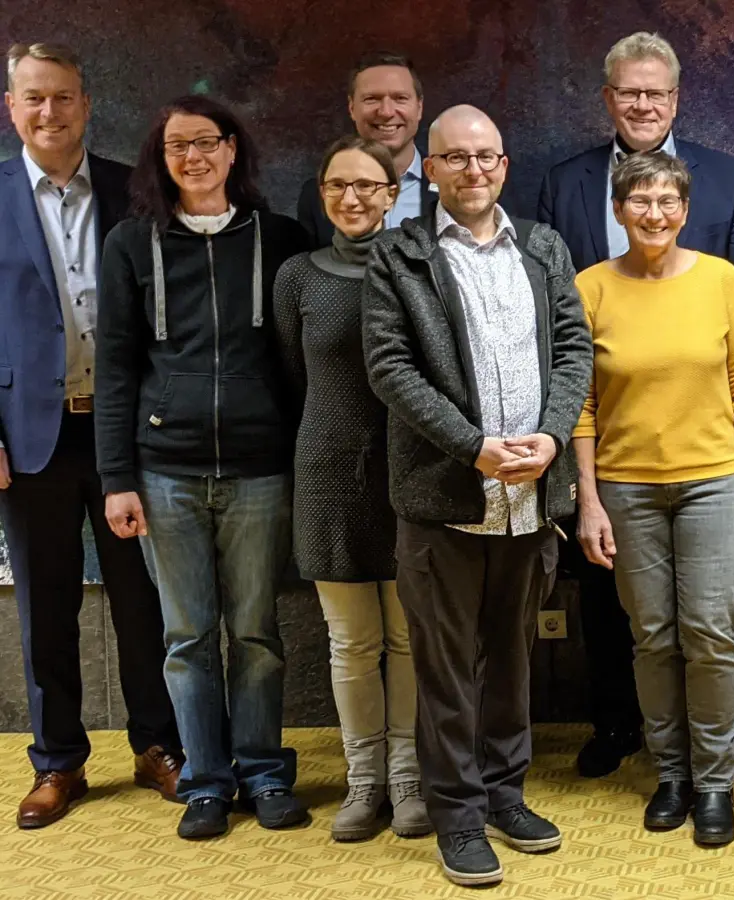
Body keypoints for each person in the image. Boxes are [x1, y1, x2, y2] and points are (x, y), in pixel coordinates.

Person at [361, 105, 592, 887]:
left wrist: (554, 438)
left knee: (514, 658)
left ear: (504, 164)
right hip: (444, 496)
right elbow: (390, 369)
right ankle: (457, 817)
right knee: (447, 668)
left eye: (485, 156)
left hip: (531, 499)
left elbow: (573, 349)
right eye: (454, 157)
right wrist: (475, 447)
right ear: (429, 167)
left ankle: (505, 793)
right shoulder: (399, 256)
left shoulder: (543, 246)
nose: (472, 170)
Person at [537, 30, 734, 780]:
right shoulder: (562, 183)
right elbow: (554, 320)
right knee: (630, 618)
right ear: (608, 99)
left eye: (656, 92)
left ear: (675, 99)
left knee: (708, 621)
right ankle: (620, 727)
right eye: (629, 91)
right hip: (616, 446)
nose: (642, 103)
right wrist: (584, 485)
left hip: (704, 446)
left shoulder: (726, 178)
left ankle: (714, 752)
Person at [95, 95, 310, 840]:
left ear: (233, 150)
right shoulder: (130, 244)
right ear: (161, 158)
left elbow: (301, 362)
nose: (194, 157)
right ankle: (207, 782)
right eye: (177, 145)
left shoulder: (280, 239)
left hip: (260, 470)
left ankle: (263, 772)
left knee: (255, 633)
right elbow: (116, 367)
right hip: (165, 474)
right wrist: (115, 478)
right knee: (186, 639)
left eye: (208, 142)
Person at [0, 41, 182, 829]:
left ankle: (158, 744)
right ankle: (59, 762)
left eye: (63, 97)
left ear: (86, 103)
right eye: (33, 98)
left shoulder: (131, 190)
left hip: (124, 437)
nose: (49, 112)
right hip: (28, 437)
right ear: (12, 107)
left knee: (145, 598)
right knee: (47, 607)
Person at [573, 152, 734, 847]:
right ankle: (672, 773)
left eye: (667, 201)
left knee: (711, 632)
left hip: (713, 481)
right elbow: (581, 406)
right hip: (627, 490)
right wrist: (590, 502)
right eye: (639, 201)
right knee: (653, 637)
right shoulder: (591, 287)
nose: (654, 213)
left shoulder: (719, 279)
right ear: (619, 209)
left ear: (685, 210)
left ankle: (716, 780)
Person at [274, 135, 426, 842]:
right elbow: (294, 379)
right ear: (322, 192)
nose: (354, 198)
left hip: (408, 474)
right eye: (339, 185)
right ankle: (364, 784)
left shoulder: (419, 271)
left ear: (394, 195)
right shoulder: (297, 276)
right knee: (351, 644)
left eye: (369, 186)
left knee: (408, 637)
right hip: (327, 472)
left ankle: (408, 781)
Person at [297, 52, 426, 246]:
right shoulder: (315, 195)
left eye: (400, 98)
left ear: (419, 107)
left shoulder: (449, 187)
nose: (386, 112)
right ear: (351, 108)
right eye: (372, 99)